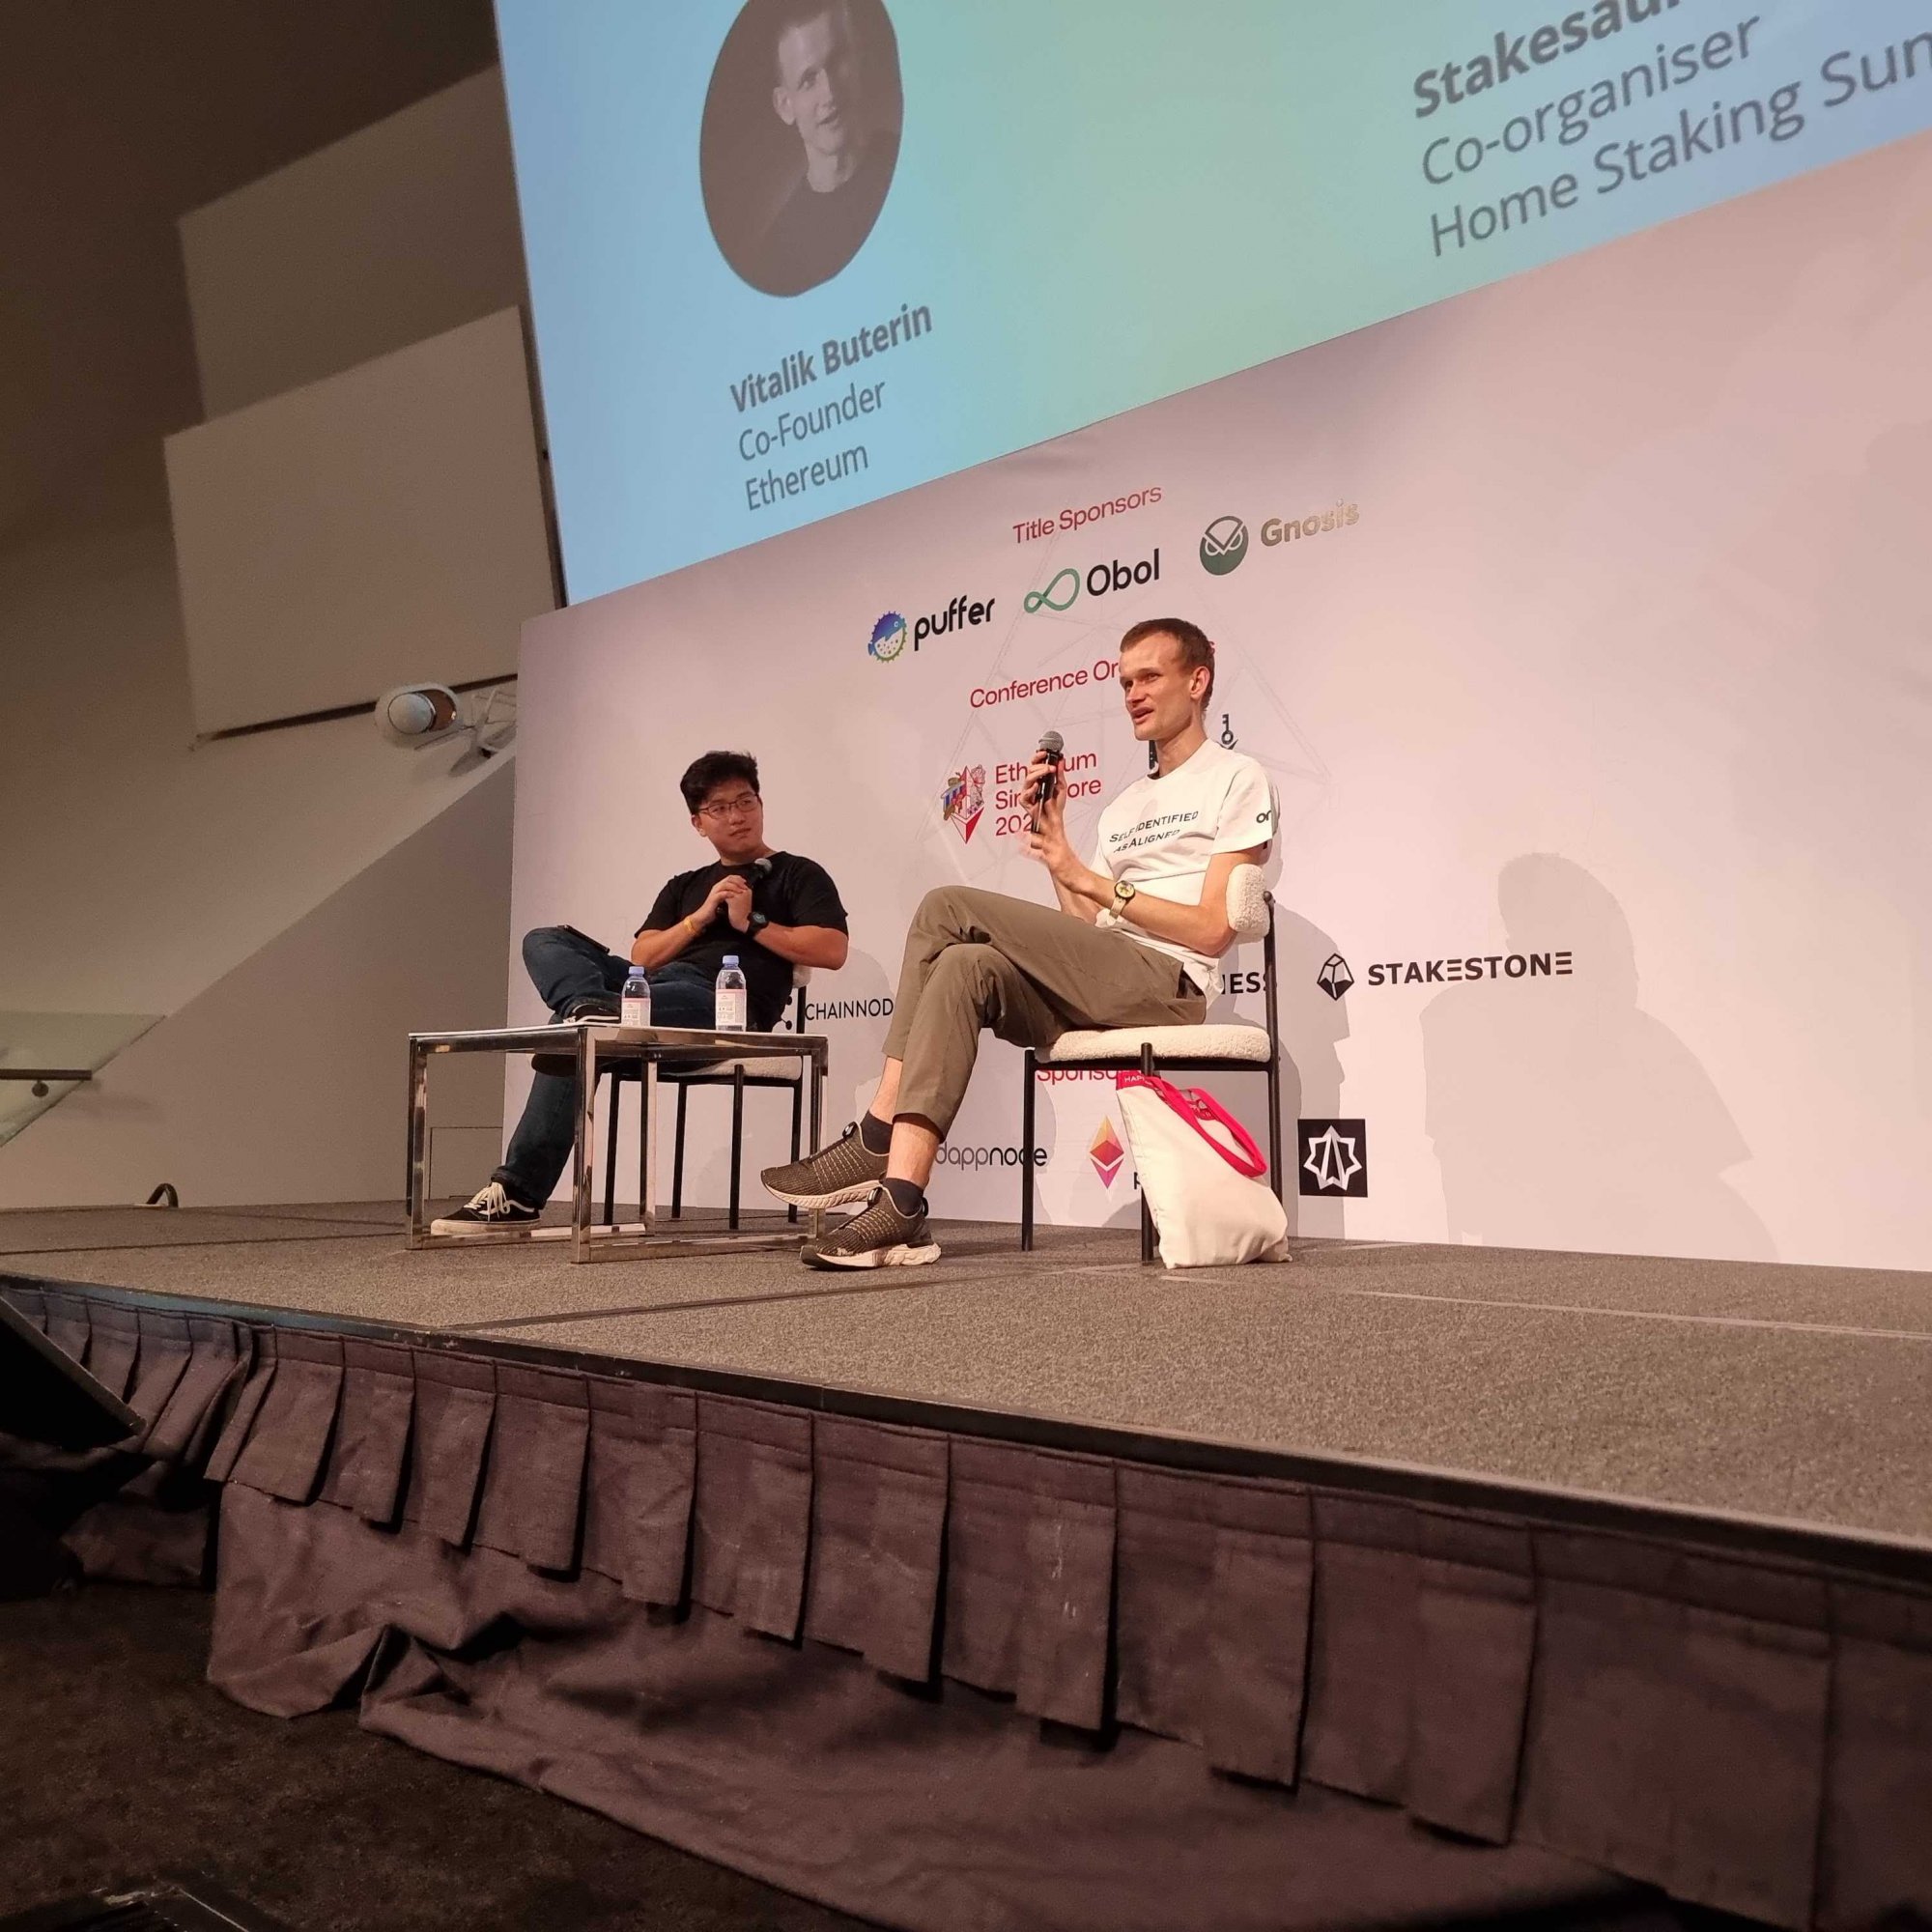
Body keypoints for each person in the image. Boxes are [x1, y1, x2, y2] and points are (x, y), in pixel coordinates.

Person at [762, 619, 1276, 1268]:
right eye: (1125, 683)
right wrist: (1059, 855)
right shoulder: (1124, 807)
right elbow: (1087, 930)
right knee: (963, 965)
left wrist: (1093, 881)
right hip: (1109, 976)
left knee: (945, 907)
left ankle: (876, 1131)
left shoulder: (1236, 777)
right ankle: (902, 1203)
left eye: (1150, 677)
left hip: (1170, 983)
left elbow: (1211, 929)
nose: (1133, 695)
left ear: (1197, 681)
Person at [435, 752, 848, 1233]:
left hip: (724, 1007)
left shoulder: (798, 873)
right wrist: (700, 918)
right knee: (545, 940)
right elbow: (644, 955)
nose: (737, 816)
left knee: (571, 1033)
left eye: (745, 801)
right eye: (720, 808)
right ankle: (588, 1008)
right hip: (653, 991)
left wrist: (751, 922)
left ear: (760, 803)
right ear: (698, 823)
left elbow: (832, 949)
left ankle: (519, 1192)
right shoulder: (685, 886)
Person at [752, 0, 899, 297]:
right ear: (785, 105)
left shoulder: (910, 164)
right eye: (809, 80)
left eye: (837, 62)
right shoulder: (777, 252)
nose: (829, 92)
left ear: (856, 60)